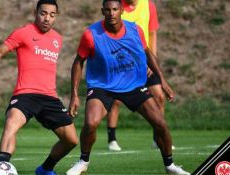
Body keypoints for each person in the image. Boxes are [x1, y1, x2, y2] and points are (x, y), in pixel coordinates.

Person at [66, 0, 190, 174]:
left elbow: (148, 54)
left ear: (121, 11)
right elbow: (78, 62)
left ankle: (170, 166)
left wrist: (162, 80)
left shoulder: (135, 30)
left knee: (160, 123)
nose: (111, 13)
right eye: (107, 10)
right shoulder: (91, 34)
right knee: (91, 122)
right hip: (103, 85)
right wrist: (74, 95)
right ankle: (83, 162)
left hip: (132, 84)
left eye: (115, 9)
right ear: (102, 11)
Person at [0, 1, 78, 175]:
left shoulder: (57, 39)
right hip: (26, 94)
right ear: (35, 12)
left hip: (50, 97)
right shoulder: (23, 33)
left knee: (71, 140)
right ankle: (2, 166)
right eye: (43, 13)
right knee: (12, 122)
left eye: (52, 15)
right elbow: (0, 51)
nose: (47, 18)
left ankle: (45, 169)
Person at [106, 0, 175, 151]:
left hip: (145, 59)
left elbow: (152, 33)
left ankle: (158, 138)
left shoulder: (148, 5)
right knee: (117, 100)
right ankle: (112, 139)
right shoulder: (117, 7)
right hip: (123, 61)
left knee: (159, 96)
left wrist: (152, 60)